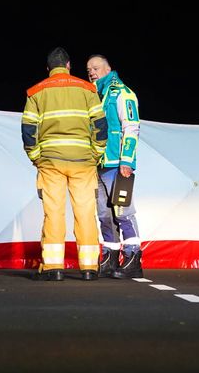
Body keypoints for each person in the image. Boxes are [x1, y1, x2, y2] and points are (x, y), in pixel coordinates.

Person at [22, 47, 105, 281]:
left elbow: (28, 129)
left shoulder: (36, 92)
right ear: (68, 66)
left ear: (48, 68)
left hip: (50, 163)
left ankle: (53, 267)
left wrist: (36, 156)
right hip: (83, 162)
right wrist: (96, 154)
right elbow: (101, 125)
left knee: (53, 213)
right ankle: (89, 268)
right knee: (85, 213)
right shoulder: (87, 89)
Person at [86, 54, 142, 279]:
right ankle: (110, 257)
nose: (91, 72)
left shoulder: (122, 93)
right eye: (88, 69)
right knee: (104, 215)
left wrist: (127, 160)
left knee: (123, 212)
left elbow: (132, 126)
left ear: (108, 69)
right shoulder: (94, 95)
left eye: (95, 68)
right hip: (98, 164)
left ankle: (133, 258)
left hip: (117, 163)